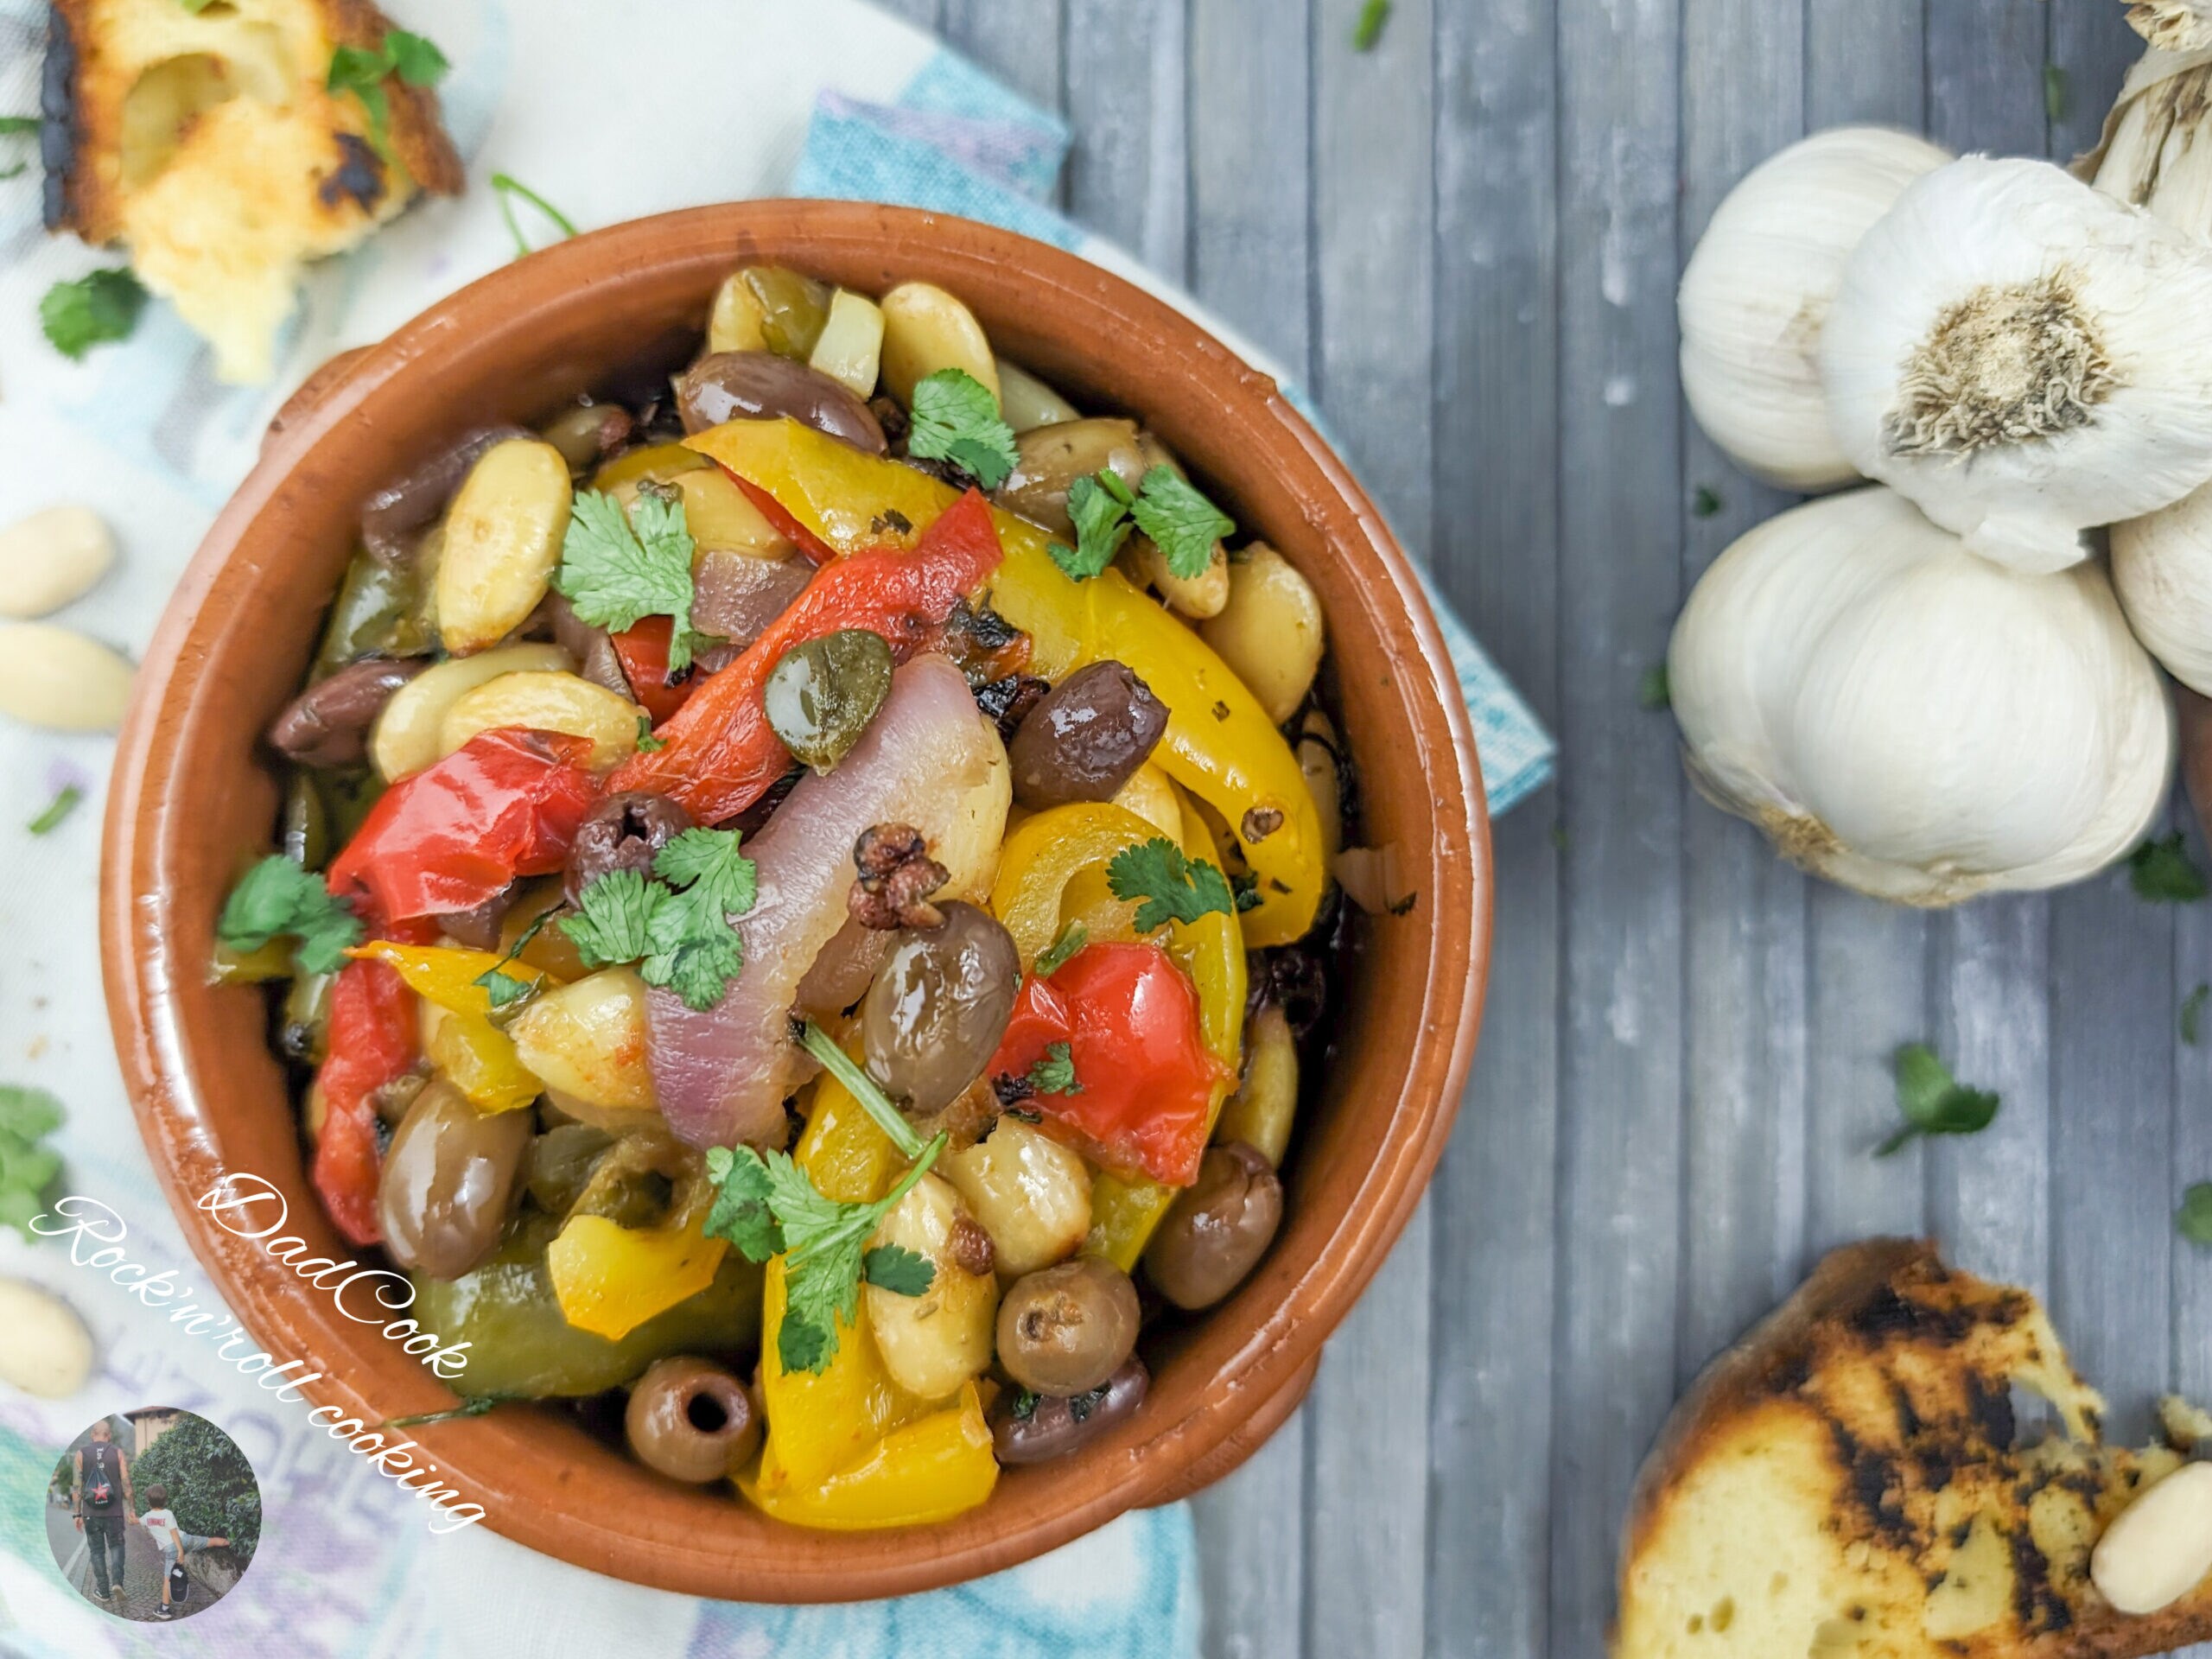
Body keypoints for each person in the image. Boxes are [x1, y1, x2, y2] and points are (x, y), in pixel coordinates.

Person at [136, 1484, 229, 1621]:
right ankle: (229, 1542)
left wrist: (180, 1552)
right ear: (165, 1500)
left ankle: (164, 1609)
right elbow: (175, 1532)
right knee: (209, 1541)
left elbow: (171, 1533)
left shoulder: (147, 1517)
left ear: (148, 1501)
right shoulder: (167, 1513)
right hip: (185, 1540)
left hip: (173, 1548)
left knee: (168, 1579)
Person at [70, 1421, 134, 1607]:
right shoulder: (118, 1452)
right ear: (109, 1436)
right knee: (116, 1546)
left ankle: (103, 1591)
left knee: (97, 1551)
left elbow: (76, 1486)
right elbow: (127, 1483)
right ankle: (117, 1583)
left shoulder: (81, 1454)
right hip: (114, 1513)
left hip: (91, 1513)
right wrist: (133, 1509)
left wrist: (77, 1514)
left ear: (92, 1435)